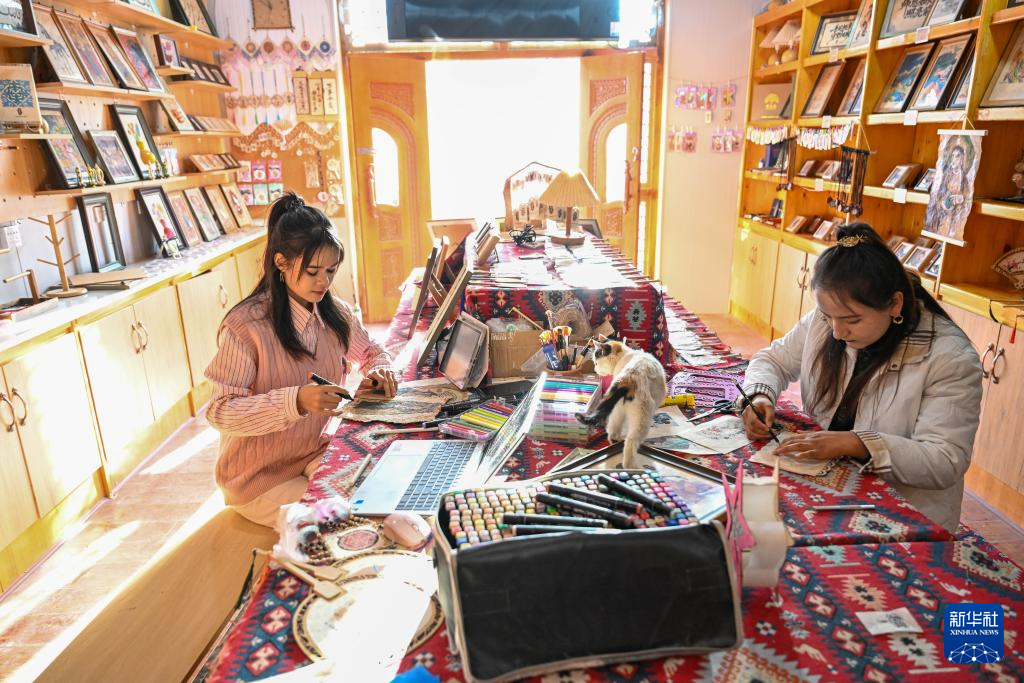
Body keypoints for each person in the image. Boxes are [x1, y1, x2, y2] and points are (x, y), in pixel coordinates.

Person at [740, 223, 982, 532]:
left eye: (852, 320)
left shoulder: (949, 357)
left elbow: (944, 460)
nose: (837, 332)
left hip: (904, 515)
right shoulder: (830, 317)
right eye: (828, 317)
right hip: (830, 488)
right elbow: (773, 360)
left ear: (894, 304)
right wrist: (760, 396)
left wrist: (857, 443)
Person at [205, 192, 398, 527]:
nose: (324, 282)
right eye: (312, 272)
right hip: (258, 476)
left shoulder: (334, 314)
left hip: (311, 454)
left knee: (381, 491)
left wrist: (380, 369)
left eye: (331, 271)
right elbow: (220, 411)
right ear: (281, 263)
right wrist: (295, 401)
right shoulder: (245, 327)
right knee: (342, 521)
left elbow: (371, 352)